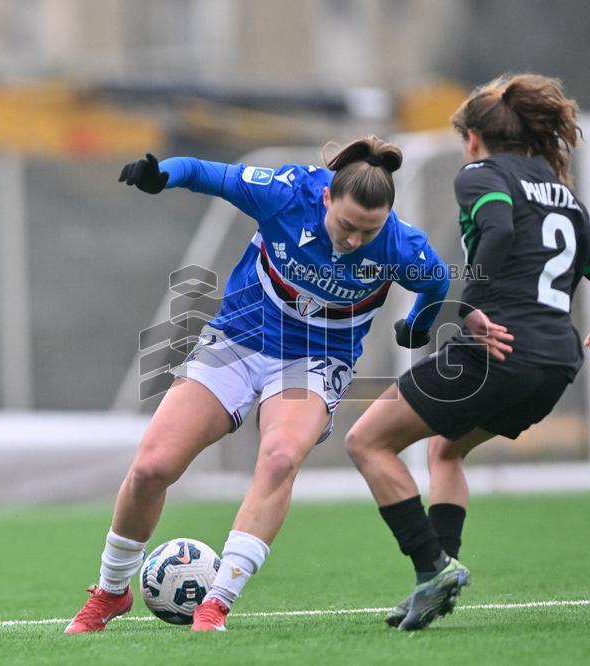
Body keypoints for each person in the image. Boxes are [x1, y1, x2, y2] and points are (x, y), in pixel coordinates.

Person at [64, 136, 450, 633]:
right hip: (238, 340)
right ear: (327, 197)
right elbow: (210, 173)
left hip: (315, 360)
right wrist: (163, 175)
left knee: (280, 458)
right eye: (347, 226)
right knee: (152, 467)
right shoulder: (287, 191)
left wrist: (419, 323)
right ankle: (110, 593)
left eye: (368, 231)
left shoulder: (400, 246)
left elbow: (437, 281)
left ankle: (216, 603)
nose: (354, 241)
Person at [344, 74, 590, 631]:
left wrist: (470, 307)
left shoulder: (481, 174)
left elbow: (496, 230)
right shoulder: (562, 195)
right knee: (446, 451)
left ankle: (433, 567)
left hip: (498, 353)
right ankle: (435, 578)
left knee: (367, 441)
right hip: (556, 365)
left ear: (474, 138)